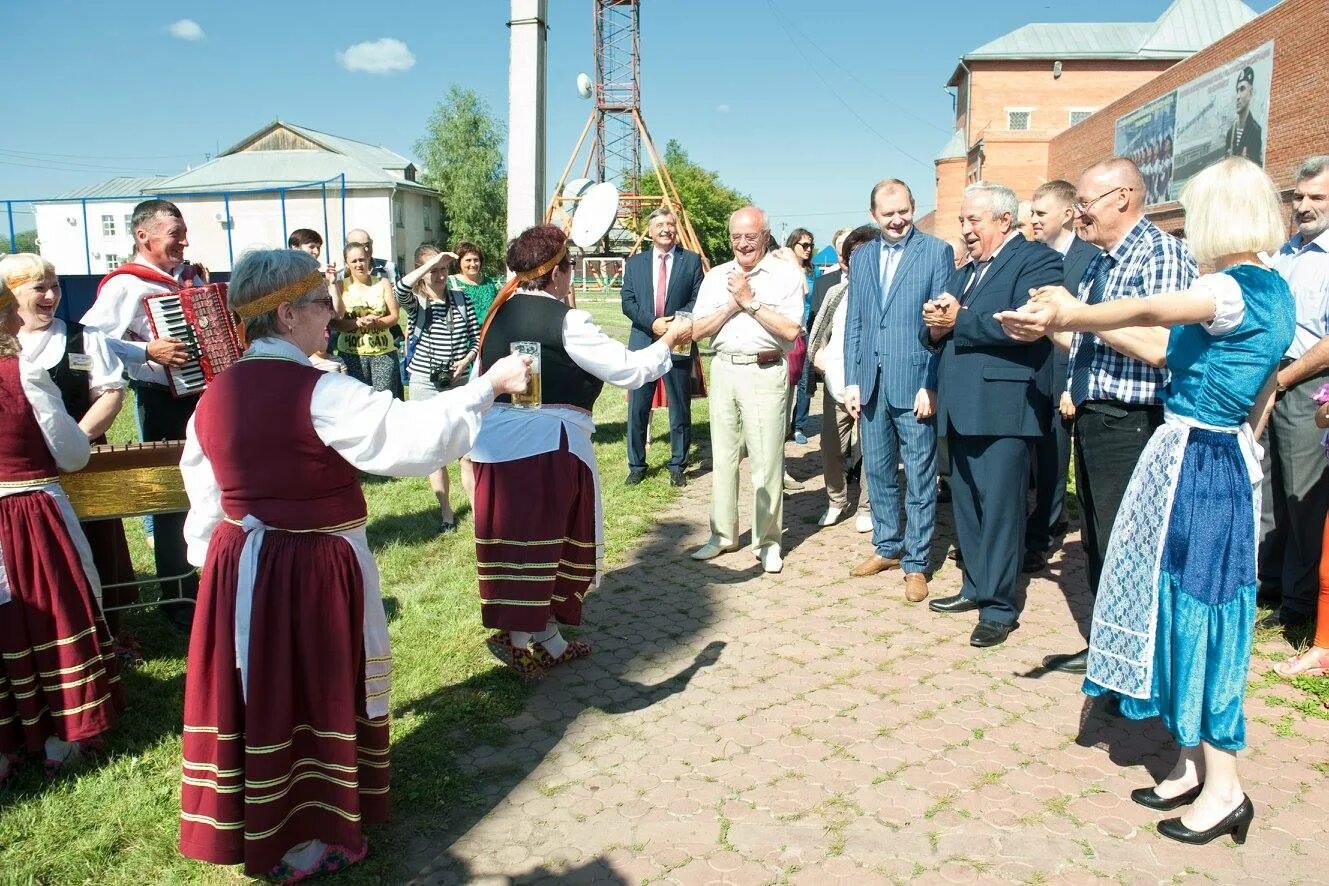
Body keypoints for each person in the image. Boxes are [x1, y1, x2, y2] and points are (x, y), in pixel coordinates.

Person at [177, 247, 530, 881]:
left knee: (265, 693)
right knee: (312, 690)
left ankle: (268, 824)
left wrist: (215, 566)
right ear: (286, 315)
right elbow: (410, 439)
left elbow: (202, 490)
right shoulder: (320, 389)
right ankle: (310, 836)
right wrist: (488, 385)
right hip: (309, 564)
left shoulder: (216, 395)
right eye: (319, 304)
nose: (330, 315)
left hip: (240, 561)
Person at [999, 156, 1293, 847]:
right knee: (1173, 606)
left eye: (1192, 212)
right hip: (1201, 454)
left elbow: (1155, 308)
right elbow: (1168, 350)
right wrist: (1070, 323)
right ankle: (1191, 761)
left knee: (1199, 615)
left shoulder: (1231, 287)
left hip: (1199, 462)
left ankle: (1224, 789)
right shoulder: (1268, 290)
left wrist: (1078, 309)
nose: (1186, 226)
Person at [470, 225, 689, 677]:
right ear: (556, 274)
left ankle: (544, 638)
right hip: (545, 448)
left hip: (496, 446)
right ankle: (518, 640)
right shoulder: (566, 320)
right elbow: (628, 369)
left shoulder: (498, 313)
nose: (571, 275)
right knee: (544, 545)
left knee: (516, 544)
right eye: (569, 266)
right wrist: (668, 342)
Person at [1029, 158, 1199, 674]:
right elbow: (1087, 342)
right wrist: (1044, 328)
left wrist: (1078, 314)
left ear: (1122, 198)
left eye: (1086, 203)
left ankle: (1138, 659)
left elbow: (1161, 346)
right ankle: (1112, 648)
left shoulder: (1159, 253)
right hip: (1098, 416)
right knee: (1103, 539)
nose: (1080, 216)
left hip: (1137, 420)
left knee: (1133, 544)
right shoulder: (1103, 261)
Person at [921, 182, 1062, 647]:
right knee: (968, 505)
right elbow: (951, 326)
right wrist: (936, 325)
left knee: (1001, 509)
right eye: (962, 221)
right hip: (961, 408)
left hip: (1004, 409)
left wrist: (957, 320)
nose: (965, 230)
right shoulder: (968, 271)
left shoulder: (1037, 260)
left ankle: (1000, 607)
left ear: (1004, 220)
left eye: (972, 220)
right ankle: (976, 587)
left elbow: (1023, 324)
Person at [0, 271, 122, 784]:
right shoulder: (22, 373)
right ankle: (61, 733)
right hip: (30, 511)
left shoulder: (63, 349)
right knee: (56, 612)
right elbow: (71, 454)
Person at [8, 254, 139, 655]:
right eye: (38, 288)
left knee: (96, 547)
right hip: (21, 475)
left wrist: (73, 443)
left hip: (84, 466)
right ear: (10, 296)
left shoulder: (87, 338)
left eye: (55, 286)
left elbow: (111, 393)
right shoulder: (7, 347)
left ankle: (106, 633)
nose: (50, 296)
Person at [81, 198, 201, 631]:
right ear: (143, 236)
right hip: (160, 397)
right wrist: (145, 350)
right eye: (175, 235)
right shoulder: (126, 285)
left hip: (198, 395)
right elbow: (91, 338)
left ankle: (199, 581)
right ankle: (177, 598)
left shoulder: (184, 279)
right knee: (171, 497)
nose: (184, 242)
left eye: (184, 233)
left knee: (205, 488)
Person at [843, 180, 954, 604]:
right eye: (887, 213)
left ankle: (917, 562)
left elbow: (941, 325)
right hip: (871, 383)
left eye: (903, 210)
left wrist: (931, 382)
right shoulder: (864, 255)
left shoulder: (936, 252)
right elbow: (857, 322)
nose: (897, 219)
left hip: (914, 384)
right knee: (878, 470)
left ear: (913, 207)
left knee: (921, 475)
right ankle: (887, 547)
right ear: (874, 215)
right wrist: (852, 380)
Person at [689, 207, 804, 574]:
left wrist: (751, 302)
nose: (742, 244)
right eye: (735, 237)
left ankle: (768, 542)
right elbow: (697, 330)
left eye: (750, 237)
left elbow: (790, 331)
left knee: (766, 462)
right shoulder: (716, 276)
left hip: (765, 369)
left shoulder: (785, 274)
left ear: (765, 236)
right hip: (724, 368)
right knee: (722, 459)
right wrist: (730, 305)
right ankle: (722, 535)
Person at [1259, 156, 1329, 633]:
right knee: (1266, 490)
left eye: (1316, 197)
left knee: (1302, 496)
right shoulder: (1285, 253)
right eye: (1298, 196)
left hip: (1306, 385)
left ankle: (1300, 606)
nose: (1303, 206)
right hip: (1269, 381)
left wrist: (1285, 381)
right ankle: (1270, 586)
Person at [1024, 180, 1100, 573]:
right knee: (1031, 461)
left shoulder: (1092, 259)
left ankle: (1047, 535)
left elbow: (1092, 324)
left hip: (1068, 376)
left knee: (1056, 459)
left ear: (1068, 214)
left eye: (1040, 213)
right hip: (1028, 376)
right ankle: (1029, 529)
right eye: (1032, 213)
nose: (1033, 220)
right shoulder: (1029, 255)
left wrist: (1073, 383)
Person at [394, 244, 478, 532]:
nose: (441, 275)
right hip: (424, 383)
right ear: (423, 273)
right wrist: (429, 265)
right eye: (434, 270)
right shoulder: (416, 301)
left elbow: (477, 339)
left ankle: (479, 514)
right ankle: (446, 515)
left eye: (444, 269)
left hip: (458, 381)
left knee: (466, 451)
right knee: (435, 450)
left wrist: (463, 362)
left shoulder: (461, 298)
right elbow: (399, 289)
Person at [622, 207, 704, 487]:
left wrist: (675, 324)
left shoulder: (691, 261)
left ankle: (678, 463)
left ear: (676, 228)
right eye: (660, 225)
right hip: (644, 339)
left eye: (670, 224)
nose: (666, 229)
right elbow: (628, 302)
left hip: (678, 339)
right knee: (638, 406)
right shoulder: (634, 263)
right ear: (650, 231)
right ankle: (636, 464)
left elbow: (697, 299)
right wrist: (654, 323)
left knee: (679, 405)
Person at [808, 225, 877, 529]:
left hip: (872, 385)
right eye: (854, 255)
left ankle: (867, 505)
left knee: (872, 448)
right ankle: (836, 499)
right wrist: (818, 357)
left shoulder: (885, 295)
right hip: (837, 383)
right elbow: (816, 333)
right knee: (832, 445)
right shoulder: (837, 293)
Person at [332, 241, 403, 398]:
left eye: (362, 259)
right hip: (352, 354)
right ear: (347, 263)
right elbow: (335, 323)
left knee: (383, 400)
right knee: (356, 401)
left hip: (382, 352)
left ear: (368, 259)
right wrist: (357, 322)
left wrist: (376, 322)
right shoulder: (340, 286)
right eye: (354, 261)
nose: (359, 264)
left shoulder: (383, 283)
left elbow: (394, 316)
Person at [786, 228, 817, 444]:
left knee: (805, 381)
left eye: (810, 245)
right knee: (785, 381)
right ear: (792, 246)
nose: (808, 249)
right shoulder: (783, 270)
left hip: (806, 331)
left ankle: (799, 425)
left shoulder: (812, 272)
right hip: (785, 331)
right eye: (803, 245)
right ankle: (782, 423)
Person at [449, 241, 502, 324]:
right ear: (459, 262)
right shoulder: (450, 283)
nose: (473, 264)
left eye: (476, 260)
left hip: (487, 334)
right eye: (468, 260)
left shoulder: (488, 283)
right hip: (463, 335)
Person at [1225, 66, 1263, 167]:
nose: (1238, 96)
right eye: (1237, 90)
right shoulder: (1230, 133)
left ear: (1250, 93)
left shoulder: (1255, 130)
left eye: (1242, 89)